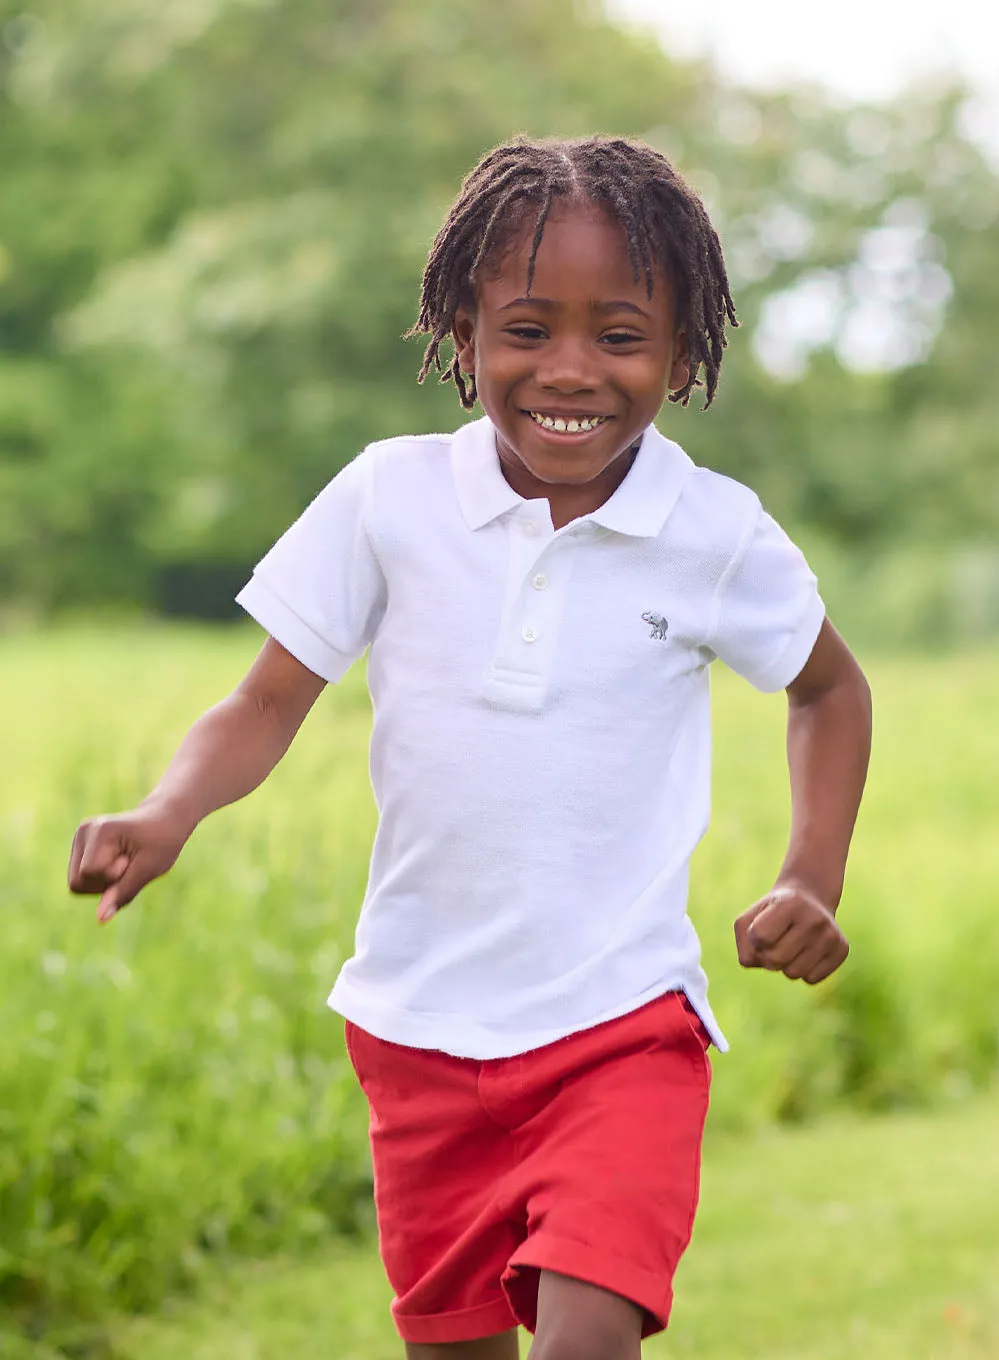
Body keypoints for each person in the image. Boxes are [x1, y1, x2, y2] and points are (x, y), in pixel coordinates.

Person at [68, 136, 872, 1360]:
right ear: (460, 327)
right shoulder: (389, 498)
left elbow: (829, 688)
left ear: (683, 346)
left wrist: (810, 871)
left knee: (584, 1338)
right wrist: (167, 809)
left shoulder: (711, 533)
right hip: (417, 1028)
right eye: (527, 328)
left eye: (619, 335)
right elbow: (266, 701)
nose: (570, 370)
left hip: (620, 1023)